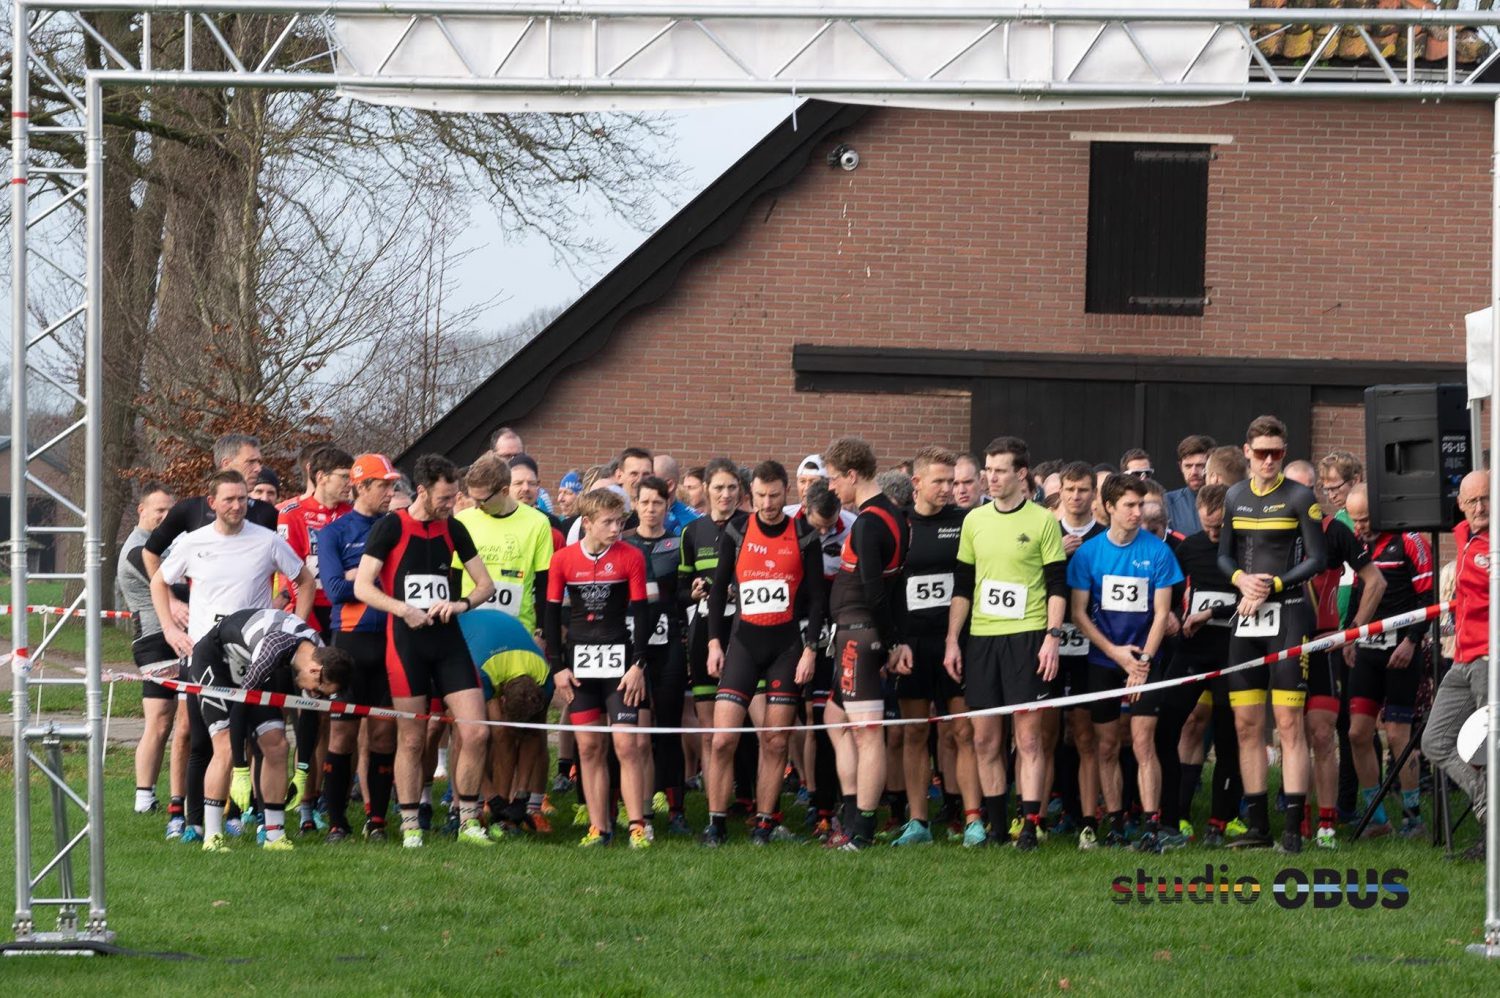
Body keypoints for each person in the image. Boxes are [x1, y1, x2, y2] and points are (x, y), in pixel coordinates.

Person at [151, 471, 315, 846]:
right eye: (229, 499)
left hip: (259, 654)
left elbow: (304, 582)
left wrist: (293, 628)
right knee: (212, 743)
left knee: (275, 743)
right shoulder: (193, 542)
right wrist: (170, 629)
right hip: (208, 655)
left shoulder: (267, 540)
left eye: (243, 499)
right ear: (212, 503)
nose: (238, 506)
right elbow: (158, 581)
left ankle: (272, 831)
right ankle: (206, 830)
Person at [353, 454, 498, 849]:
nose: (452, 504)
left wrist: (461, 604)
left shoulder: (454, 528)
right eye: (445, 497)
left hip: (448, 640)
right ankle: (411, 823)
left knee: (477, 731)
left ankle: (468, 818)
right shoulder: (390, 526)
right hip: (406, 643)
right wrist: (404, 610)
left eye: (455, 497)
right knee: (413, 739)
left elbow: (485, 584)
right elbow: (363, 587)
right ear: (422, 491)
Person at [944, 436, 1065, 850]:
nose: (990, 479)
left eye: (999, 471)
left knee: (1029, 739)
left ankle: (1029, 825)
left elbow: (1057, 585)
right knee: (984, 739)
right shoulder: (974, 521)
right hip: (982, 640)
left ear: (1020, 474)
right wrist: (952, 641)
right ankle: (996, 827)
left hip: (1028, 636)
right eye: (987, 471)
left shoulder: (1043, 521)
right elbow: (962, 585)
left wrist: (1052, 637)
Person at [700, 461, 825, 846]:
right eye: (760, 496)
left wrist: (810, 649)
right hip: (742, 643)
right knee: (722, 739)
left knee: (775, 740)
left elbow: (819, 598)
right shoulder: (737, 530)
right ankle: (716, 821)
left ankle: (764, 823)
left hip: (786, 646)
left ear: (786, 492)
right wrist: (714, 642)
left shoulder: (804, 535)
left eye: (774, 496)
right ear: (749, 494)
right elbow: (718, 590)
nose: (767, 504)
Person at [1216, 414, 1326, 852]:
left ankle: (1294, 829)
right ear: (1246, 452)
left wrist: (1273, 584)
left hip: (1290, 613)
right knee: (1246, 724)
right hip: (1247, 616)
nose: (1268, 460)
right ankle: (1258, 826)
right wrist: (1242, 580)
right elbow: (1224, 556)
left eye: (1276, 453)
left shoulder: (1301, 496)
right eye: (1260, 453)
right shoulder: (1234, 496)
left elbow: (1316, 559)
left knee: (1288, 724)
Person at [1068, 474, 1184, 853]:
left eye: (1141, 505)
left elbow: (1162, 613)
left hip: (1147, 660)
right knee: (1105, 745)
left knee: (1142, 741)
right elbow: (1079, 614)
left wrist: (1142, 663)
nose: (1138, 512)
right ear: (1110, 508)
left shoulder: (1159, 552)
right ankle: (1115, 823)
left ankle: (1151, 826)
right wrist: (1116, 653)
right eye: (1130, 506)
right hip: (1104, 658)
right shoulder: (1088, 553)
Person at [184, 608, 350, 852]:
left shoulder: (318, 650)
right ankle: (212, 836)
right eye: (318, 689)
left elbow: (310, 713)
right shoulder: (273, 647)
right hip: (215, 660)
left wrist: (302, 770)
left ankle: (275, 835)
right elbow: (241, 706)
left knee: (277, 745)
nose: (316, 694)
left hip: (249, 665)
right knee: (226, 747)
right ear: (315, 671)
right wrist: (241, 770)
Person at [1285, 459, 1385, 850]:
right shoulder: (1269, 530)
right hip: (1284, 644)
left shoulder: (1334, 530)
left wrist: (1352, 633)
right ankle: (1298, 818)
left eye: (1306, 489)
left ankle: (1327, 823)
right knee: (1291, 733)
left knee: (1322, 733)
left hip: (1325, 641)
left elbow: (1374, 581)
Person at [545, 488, 653, 848]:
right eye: (608, 522)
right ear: (587, 523)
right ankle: (599, 827)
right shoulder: (562, 560)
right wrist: (557, 667)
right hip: (579, 663)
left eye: (620, 521)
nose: (616, 528)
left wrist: (638, 664)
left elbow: (642, 613)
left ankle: (637, 825)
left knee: (626, 745)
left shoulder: (631, 557)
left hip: (620, 663)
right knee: (589, 747)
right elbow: (550, 613)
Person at [821, 438, 910, 851]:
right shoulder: (893, 516)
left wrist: (892, 643)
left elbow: (877, 591)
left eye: (835, 479)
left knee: (868, 732)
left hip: (859, 633)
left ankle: (862, 829)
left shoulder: (871, 522)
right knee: (834, 717)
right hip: (858, 632)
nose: (832, 489)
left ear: (853, 475)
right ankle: (852, 811)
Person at [316, 453, 402, 843]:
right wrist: (369, 581)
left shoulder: (397, 527)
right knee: (341, 738)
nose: (390, 491)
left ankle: (378, 820)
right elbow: (334, 590)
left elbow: (404, 585)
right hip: (349, 644)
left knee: (384, 736)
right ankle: (337, 822)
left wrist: (362, 578)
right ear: (361, 487)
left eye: (392, 484)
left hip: (391, 642)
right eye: (383, 484)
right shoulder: (336, 532)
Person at [1343, 483, 1434, 838]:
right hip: (1367, 649)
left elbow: (1427, 597)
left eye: (1365, 519)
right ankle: (1377, 817)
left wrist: (1412, 642)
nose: (1360, 526)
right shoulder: (1358, 544)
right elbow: (1356, 592)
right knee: (1357, 733)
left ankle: (1414, 816)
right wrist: (1349, 636)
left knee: (1398, 733)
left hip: (1401, 650)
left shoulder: (1410, 540)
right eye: (1354, 520)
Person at [890, 446, 967, 847]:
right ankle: (918, 820)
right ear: (916, 482)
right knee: (915, 732)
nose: (948, 488)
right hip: (912, 644)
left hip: (955, 641)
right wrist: (896, 641)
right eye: (939, 480)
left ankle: (967, 817)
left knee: (962, 731)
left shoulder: (965, 521)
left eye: (951, 481)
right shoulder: (899, 524)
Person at [278, 445, 354, 829]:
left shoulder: (351, 515)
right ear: (321, 476)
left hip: (343, 614)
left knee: (331, 715)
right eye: (345, 476)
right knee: (304, 714)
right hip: (306, 616)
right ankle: (295, 799)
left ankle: (318, 798)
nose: (350, 484)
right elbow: (285, 571)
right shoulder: (291, 513)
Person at [1421, 469, 1490, 860]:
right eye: (1471, 501)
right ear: (1461, 506)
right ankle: (1489, 811)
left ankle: (1490, 836)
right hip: (1460, 659)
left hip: (1489, 660)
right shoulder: (1463, 534)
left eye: (1487, 498)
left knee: (1491, 751)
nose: (1480, 507)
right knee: (1435, 741)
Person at [621, 475, 690, 835]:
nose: (650, 509)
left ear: (667, 505)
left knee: (668, 728)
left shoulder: (677, 543)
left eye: (657, 503)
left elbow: (682, 594)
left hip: (667, 647)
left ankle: (676, 808)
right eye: (644, 502)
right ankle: (639, 810)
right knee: (636, 732)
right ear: (635, 504)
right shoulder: (624, 543)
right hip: (633, 649)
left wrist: (691, 592)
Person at [456, 608, 551, 838]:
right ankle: (468, 808)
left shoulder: (545, 679)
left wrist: (522, 795)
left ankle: (507, 814)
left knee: (513, 734)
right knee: (472, 735)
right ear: (502, 698)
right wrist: (492, 797)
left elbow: (533, 736)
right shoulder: (483, 673)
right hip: (464, 638)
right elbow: (465, 737)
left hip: (505, 642)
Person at [1052, 462, 1108, 846]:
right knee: (1043, 732)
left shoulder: (1106, 537)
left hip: (1091, 642)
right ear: (1060, 493)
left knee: (1085, 733)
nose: (1076, 497)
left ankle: (1088, 818)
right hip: (1050, 642)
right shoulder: (1043, 531)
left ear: (1094, 495)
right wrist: (1055, 553)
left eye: (1083, 490)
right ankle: (1036, 815)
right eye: (1070, 489)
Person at [117, 483, 178, 818]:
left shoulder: (171, 542)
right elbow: (169, 583)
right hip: (155, 640)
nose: (166, 516)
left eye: (171, 510)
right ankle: (144, 796)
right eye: (160, 510)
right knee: (160, 720)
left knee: (179, 721)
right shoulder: (137, 548)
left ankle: (179, 795)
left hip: (181, 636)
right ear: (141, 510)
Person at [1163, 435, 1215, 534]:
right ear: (1180, 466)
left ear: (1212, 464)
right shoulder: (1167, 502)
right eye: (1188, 466)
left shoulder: (1229, 500)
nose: (1194, 472)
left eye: (1200, 465)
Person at [654, 454, 704, 535]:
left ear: (670, 485)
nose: (643, 485)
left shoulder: (698, 523)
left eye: (651, 480)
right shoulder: (634, 516)